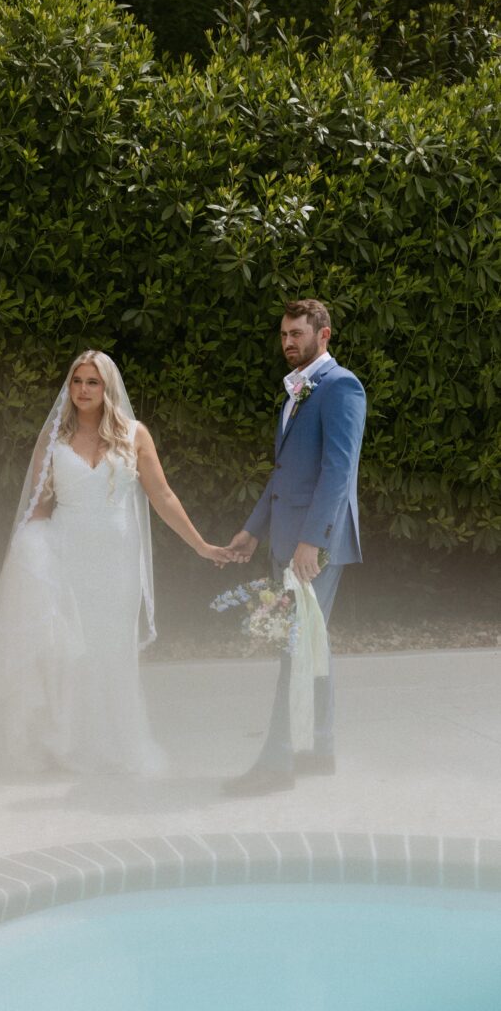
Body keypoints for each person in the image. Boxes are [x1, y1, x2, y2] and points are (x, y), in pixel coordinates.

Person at [0, 350, 231, 774]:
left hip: (117, 564)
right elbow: (40, 505)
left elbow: (163, 496)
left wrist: (201, 545)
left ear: (107, 388)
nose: (83, 390)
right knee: (70, 653)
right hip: (67, 558)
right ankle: (65, 745)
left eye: (92, 382)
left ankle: (115, 743)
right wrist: (27, 559)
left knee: (111, 651)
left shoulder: (134, 434)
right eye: (76, 381)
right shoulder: (53, 439)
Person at [225, 299, 366, 795]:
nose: (288, 342)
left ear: (323, 336)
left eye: (298, 334)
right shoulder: (297, 391)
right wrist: (254, 528)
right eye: (284, 334)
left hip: (316, 546)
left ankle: (276, 763)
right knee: (312, 644)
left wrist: (311, 542)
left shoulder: (340, 386)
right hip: (291, 538)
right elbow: (285, 473)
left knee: (294, 648)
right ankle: (320, 749)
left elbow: (338, 471)